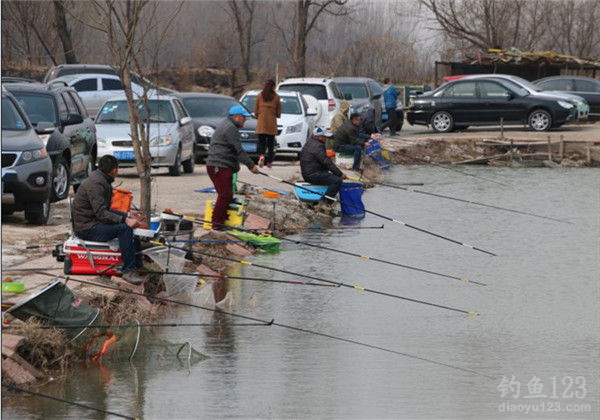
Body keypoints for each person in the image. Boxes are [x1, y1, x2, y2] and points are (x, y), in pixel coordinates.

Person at [72, 155, 146, 284]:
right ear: (114, 170)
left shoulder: (101, 179)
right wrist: (125, 221)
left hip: (94, 221)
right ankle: (128, 271)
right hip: (86, 228)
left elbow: (105, 210)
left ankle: (138, 265)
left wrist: (127, 216)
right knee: (125, 229)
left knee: (131, 228)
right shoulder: (97, 184)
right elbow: (101, 213)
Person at [206, 105, 260, 228]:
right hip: (219, 166)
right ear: (236, 116)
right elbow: (238, 150)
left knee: (226, 195)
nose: (245, 120)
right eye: (243, 118)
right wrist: (251, 165)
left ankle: (222, 221)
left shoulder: (227, 124)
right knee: (225, 195)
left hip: (220, 166)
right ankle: (217, 224)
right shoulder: (230, 128)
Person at [300, 126, 347, 201]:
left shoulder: (310, 142)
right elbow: (326, 162)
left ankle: (322, 200)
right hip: (313, 174)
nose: (326, 139)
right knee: (337, 181)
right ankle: (325, 203)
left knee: (331, 176)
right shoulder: (318, 146)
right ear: (320, 137)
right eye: (325, 137)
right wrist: (340, 174)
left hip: (309, 173)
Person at [254, 79, 281, 169]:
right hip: (271, 124)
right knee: (270, 144)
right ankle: (269, 162)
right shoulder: (276, 97)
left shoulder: (259, 96)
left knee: (261, 142)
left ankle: (261, 155)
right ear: (273, 87)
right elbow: (278, 113)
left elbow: (256, 112)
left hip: (261, 123)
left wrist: (260, 116)